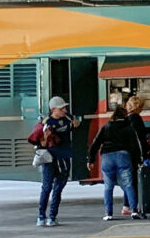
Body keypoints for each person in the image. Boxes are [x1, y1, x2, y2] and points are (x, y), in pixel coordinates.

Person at [88, 106, 143, 220]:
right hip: (123, 156)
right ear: (125, 115)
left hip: (107, 157)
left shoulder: (106, 126)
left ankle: (108, 213)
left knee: (108, 186)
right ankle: (134, 210)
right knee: (128, 184)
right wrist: (138, 161)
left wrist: (91, 159)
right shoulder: (128, 128)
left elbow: (95, 143)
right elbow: (135, 146)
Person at [33, 96, 78, 226]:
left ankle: (52, 216)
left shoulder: (68, 118)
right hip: (50, 158)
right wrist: (46, 136)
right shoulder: (46, 122)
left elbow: (76, 124)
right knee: (47, 187)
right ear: (53, 109)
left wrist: (76, 123)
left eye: (64, 108)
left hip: (64, 156)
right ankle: (41, 216)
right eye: (61, 108)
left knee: (59, 187)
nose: (64, 110)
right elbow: (41, 142)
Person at [122, 96, 150, 215]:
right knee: (135, 179)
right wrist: (147, 151)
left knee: (129, 180)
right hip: (135, 153)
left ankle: (126, 206)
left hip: (126, 153)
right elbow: (141, 138)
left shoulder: (125, 119)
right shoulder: (136, 119)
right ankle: (133, 206)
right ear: (138, 107)